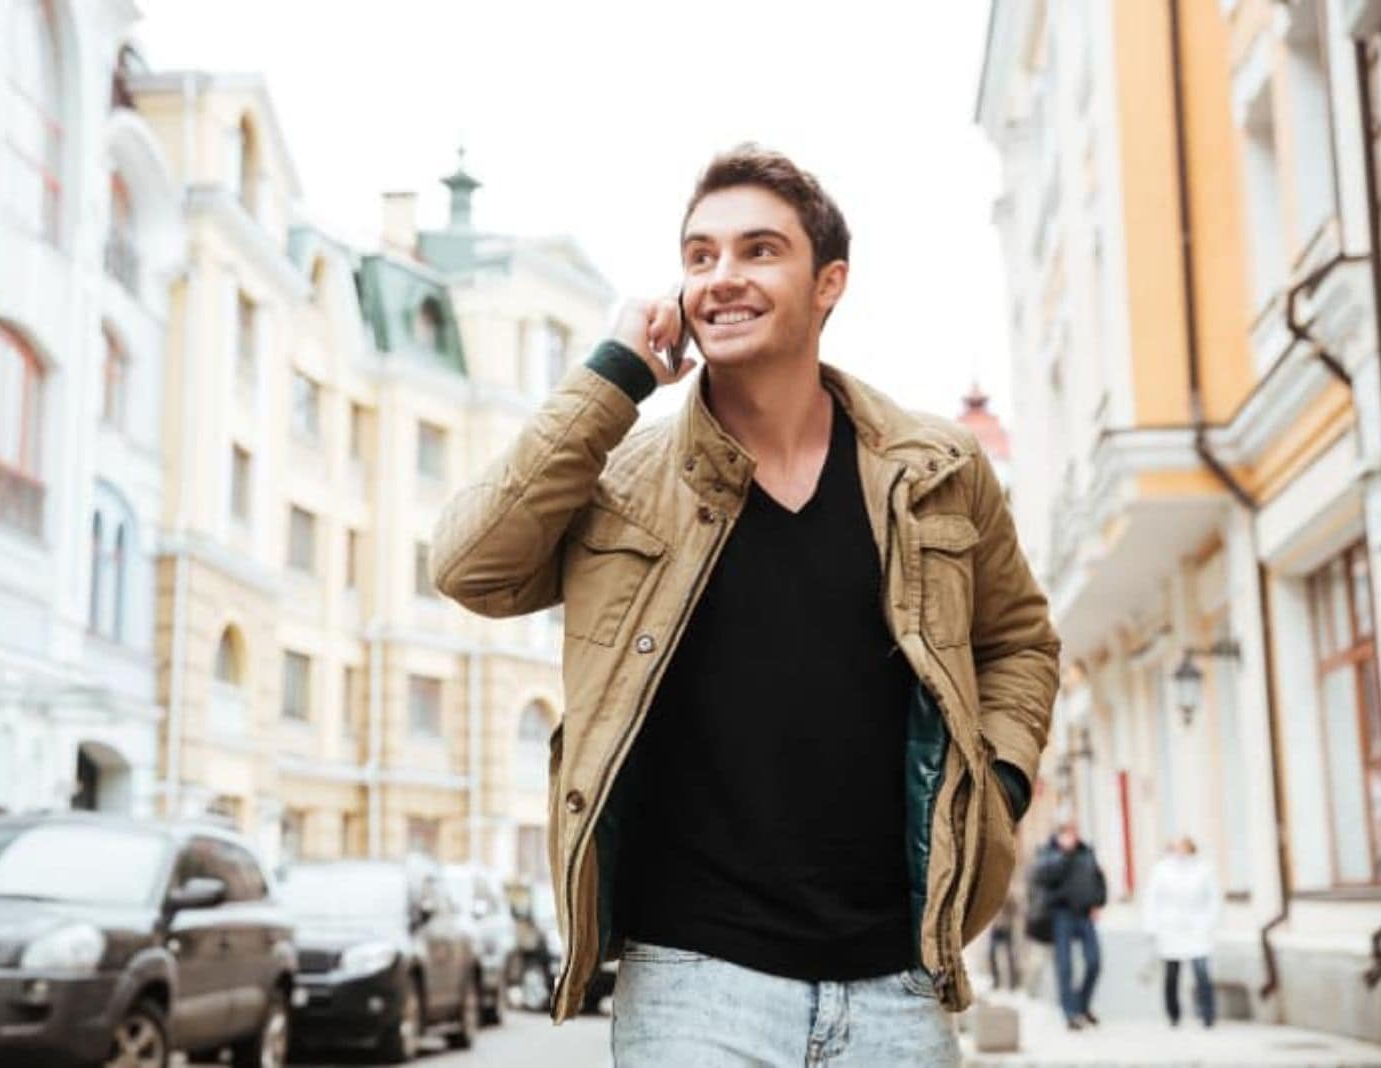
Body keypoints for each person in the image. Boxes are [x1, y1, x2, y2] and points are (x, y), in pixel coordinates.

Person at [431, 144, 1061, 1066]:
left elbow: (1019, 643)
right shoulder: (624, 478)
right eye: (699, 256)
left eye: (759, 251)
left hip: (898, 978)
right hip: (694, 979)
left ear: (828, 282)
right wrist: (613, 376)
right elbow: (470, 568)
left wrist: (995, 788)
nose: (722, 277)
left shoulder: (934, 470)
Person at [1031, 821, 1107, 1029]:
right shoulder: (1049, 853)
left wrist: (1098, 902)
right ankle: (1070, 1013)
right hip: (1061, 914)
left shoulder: (1086, 853)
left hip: (1085, 914)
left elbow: (1099, 879)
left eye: (1074, 834)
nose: (1072, 838)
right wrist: (1064, 855)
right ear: (1060, 836)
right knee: (1065, 966)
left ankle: (1082, 1004)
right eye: (1067, 834)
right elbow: (1042, 877)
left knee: (1094, 961)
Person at [1143, 836, 1220, 1028]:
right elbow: (1152, 899)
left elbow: (1214, 898)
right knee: (1171, 974)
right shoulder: (1162, 870)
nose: (1180, 852)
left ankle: (1208, 1014)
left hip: (1197, 927)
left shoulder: (1203, 869)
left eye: (1183, 848)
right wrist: (1152, 926)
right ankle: (1173, 1014)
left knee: (1201, 972)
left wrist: (1209, 923)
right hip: (1170, 928)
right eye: (1177, 848)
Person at [989, 890, 1021, 991]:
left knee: (1010, 955)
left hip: (1007, 928)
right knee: (991, 953)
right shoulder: (993, 893)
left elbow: (1015, 909)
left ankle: (1013, 983)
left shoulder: (1010, 894)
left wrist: (1007, 921)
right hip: (996, 927)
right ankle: (996, 981)